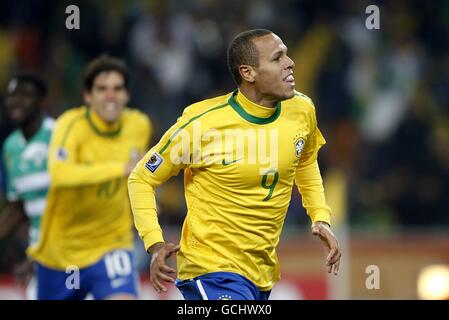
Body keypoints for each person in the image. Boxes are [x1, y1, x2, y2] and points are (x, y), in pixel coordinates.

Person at [128, 29, 341, 300]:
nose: (290, 63)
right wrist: (154, 244)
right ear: (248, 73)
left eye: (287, 54)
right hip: (209, 270)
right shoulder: (202, 125)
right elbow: (142, 178)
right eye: (277, 58)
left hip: (260, 273)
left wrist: (320, 217)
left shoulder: (302, 110)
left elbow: (306, 162)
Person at [28, 55, 152, 300]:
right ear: (88, 96)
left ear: (126, 95)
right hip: (62, 252)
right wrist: (119, 168)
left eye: (117, 89)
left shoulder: (139, 124)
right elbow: (60, 174)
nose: (110, 96)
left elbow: (138, 174)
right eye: (102, 89)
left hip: (111, 244)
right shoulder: (70, 125)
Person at [0, 74, 53, 299]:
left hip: (74, 250)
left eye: (24, 95)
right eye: (12, 95)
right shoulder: (11, 147)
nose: (16, 101)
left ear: (41, 101)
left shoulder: (61, 135)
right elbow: (18, 206)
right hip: (38, 255)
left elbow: (76, 200)